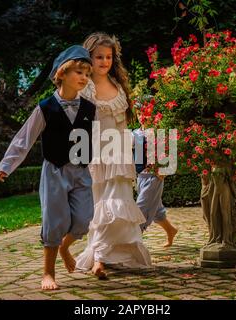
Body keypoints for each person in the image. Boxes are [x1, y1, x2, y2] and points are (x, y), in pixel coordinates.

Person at [0, 45, 96, 290]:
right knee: (54, 221)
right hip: (55, 171)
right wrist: (7, 166)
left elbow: (100, 139)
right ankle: (48, 273)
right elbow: (24, 139)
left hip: (81, 171)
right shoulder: (45, 108)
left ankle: (65, 247)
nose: (84, 78)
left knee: (84, 219)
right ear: (61, 73)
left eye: (86, 73)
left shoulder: (90, 109)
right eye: (78, 72)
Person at [75, 32, 152, 279]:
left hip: (118, 153)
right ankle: (99, 256)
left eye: (108, 57)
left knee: (118, 203)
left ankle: (109, 256)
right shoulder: (83, 87)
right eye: (99, 57)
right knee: (100, 206)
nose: (104, 61)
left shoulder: (118, 87)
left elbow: (122, 126)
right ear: (89, 58)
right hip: (96, 153)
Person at [132, 105, 178, 247]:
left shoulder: (159, 131)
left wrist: (165, 170)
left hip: (154, 177)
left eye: (145, 113)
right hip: (140, 176)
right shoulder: (135, 133)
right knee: (157, 210)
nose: (141, 116)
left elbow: (172, 150)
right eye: (139, 113)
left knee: (141, 208)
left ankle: (133, 240)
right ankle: (171, 230)